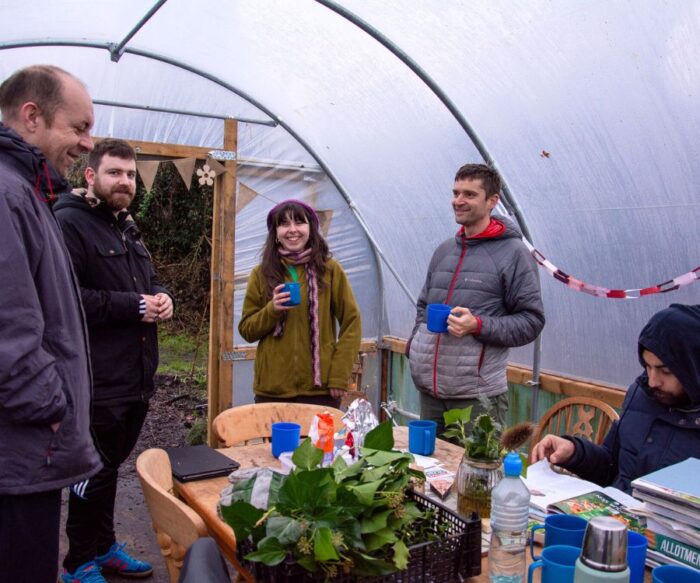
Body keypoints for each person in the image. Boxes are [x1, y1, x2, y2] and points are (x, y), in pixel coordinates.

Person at [53, 138, 174, 582]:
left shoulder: (126, 226)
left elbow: (150, 281)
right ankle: (77, 562)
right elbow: (66, 299)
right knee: (91, 472)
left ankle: (103, 547)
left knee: (109, 469)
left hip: (136, 378)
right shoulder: (69, 223)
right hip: (96, 379)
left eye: (129, 174)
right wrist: (135, 306)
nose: (124, 181)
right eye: (114, 173)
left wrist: (164, 299)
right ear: (90, 175)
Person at [0, 65, 102, 583]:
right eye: (79, 127)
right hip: (21, 452)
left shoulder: (26, 191)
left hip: (27, 449)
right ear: (32, 116)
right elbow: (7, 330)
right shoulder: (7, 194)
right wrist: (51, 407)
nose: (89, 142)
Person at [408, 163, 545, 435]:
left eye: (469, 194)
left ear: (492, 201)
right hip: (431, 393)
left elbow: (532, 321)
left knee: (476, 475)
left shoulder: (513, 253)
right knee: (430, 472)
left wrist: (478, 325)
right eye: (456, 193)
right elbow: (423, 305)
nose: (458, 201)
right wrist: (415, 346)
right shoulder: (444, 250)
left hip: (478, 398)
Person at [531, 303, 700, 494]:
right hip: (617, 517)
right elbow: (610, 466)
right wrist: (574, 452)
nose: (653, 381)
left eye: (666, 371)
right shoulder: (641, 394)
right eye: (647, 366)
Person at [239, 199, 361, 408]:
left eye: (299, 222)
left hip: (320, 389)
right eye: (284, 224)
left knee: (317, 443)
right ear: (275, 233)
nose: (292, 230)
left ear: (310, 229)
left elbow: (352, 323)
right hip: (272, 389)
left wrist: (339, 375)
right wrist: (272, 309)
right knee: (277, 443)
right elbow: (247, 330)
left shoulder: (330, 270)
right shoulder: (261, 274)